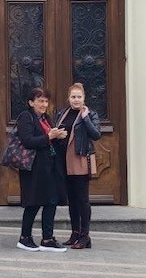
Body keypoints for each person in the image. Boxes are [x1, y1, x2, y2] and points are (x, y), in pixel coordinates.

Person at [15, 87, 68, 252]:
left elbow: (49, 140)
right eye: (40, 101)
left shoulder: (46, 118)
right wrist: (49, 137)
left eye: (46, 101)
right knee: (33, 202)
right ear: (31, 102)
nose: (44, 104)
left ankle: (47, 238)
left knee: (51, 201)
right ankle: (24, 238)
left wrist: (58, 136)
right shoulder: (26, 117)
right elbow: (28, 140)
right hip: (34, 168)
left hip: (50, 166)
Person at [53, 83, 101, 249]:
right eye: (73, 97)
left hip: (80, 159)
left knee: (82, 199)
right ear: (69, 98)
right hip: (64, 160)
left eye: (79, 97)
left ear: (84, 98)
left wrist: (86, 117)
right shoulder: (62, 113)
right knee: (72, 200)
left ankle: (85, 235)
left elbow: (96, 135)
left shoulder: (90, 114)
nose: (76, 100)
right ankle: (74, 233)